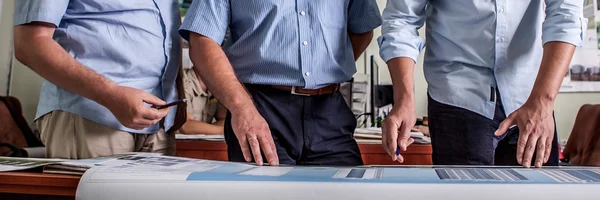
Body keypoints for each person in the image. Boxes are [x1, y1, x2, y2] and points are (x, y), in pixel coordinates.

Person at [378, 0, 585, 168]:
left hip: (532, 95)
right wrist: (404, 98)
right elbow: (401, 19)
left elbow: (566, 14)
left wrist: (543, 101)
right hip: (459, 97)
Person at [179, 0, 382, 166]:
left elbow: (362, 29)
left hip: (329, 109)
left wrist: (324, 72)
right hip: (259, 108)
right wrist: (241, 106)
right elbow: (201, 39)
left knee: (345, 191)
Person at [13, 0, 184, 159]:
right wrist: (110, 94)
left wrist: (178, 94)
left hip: (159, 122)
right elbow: (29, 43)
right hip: (91, 116)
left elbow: (169, 32)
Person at [178, 66, 226, 135]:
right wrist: (224, 131)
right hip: (178, 144)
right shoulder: (181, 82)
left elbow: (225, 120)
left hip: (202, 143)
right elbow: (184, 126)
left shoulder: (216, 85)